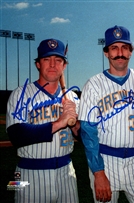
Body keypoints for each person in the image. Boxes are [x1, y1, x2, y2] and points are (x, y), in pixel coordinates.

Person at [78, 25, 134, 203]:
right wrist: (98, 172)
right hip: (105, 162)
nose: (119, 52)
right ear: (106, 53)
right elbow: (88, 131)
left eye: (124, 47)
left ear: (130, 52)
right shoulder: (94, 84)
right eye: (114, 48)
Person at [6, 38, 80, 203]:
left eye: (58, 60)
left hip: (66, 171)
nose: (53, 64)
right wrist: (59, 122)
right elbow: (16, 136)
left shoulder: (72, 97)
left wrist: (77, 126)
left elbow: (82, 134)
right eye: (47, 59)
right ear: (38, 64)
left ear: (64, 65)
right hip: (27, 172)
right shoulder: (20, 94)